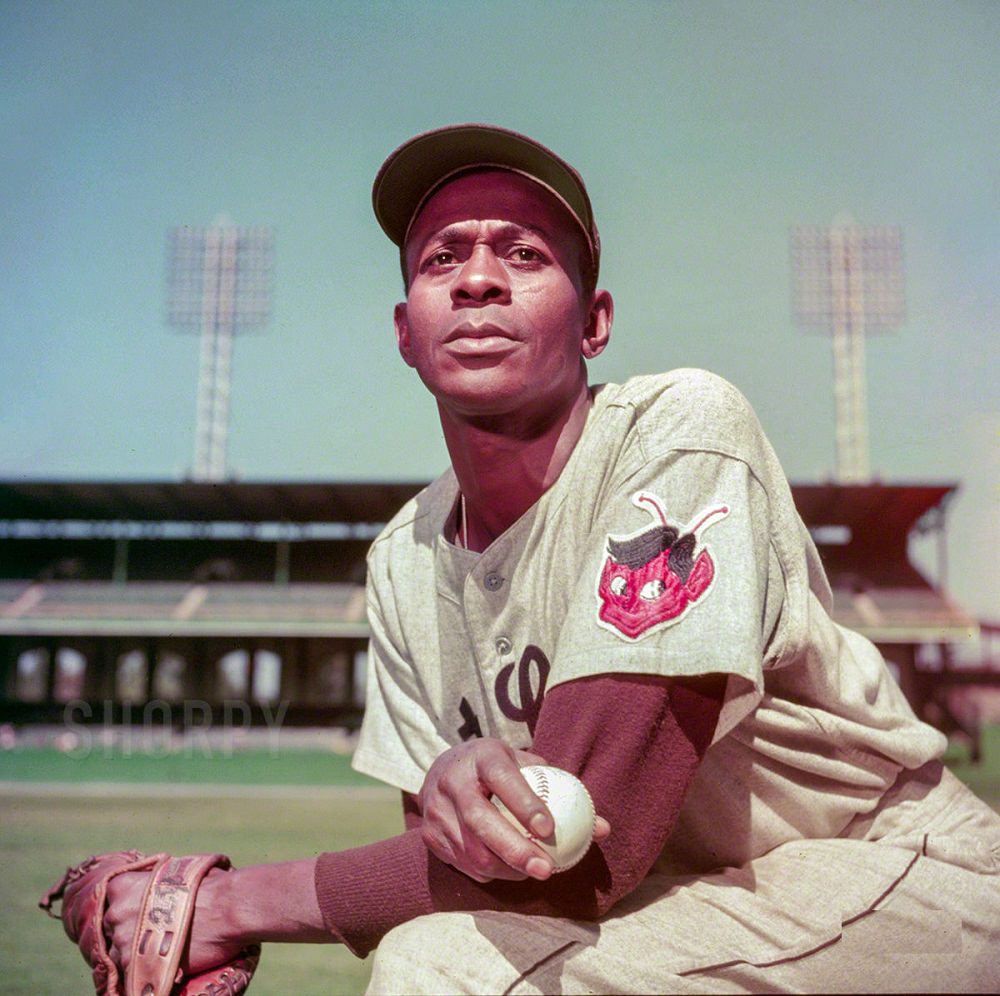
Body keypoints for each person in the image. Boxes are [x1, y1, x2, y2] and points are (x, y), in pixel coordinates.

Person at [96, 124, 1000, 993]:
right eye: (442, 258)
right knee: (442, 944)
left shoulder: (680, 431)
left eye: (524, 255)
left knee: (443, 974)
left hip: (891, 873)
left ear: (594, 322)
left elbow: (572, 850)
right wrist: (449, 805)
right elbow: (465, 875)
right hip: (686, 908)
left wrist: (225, 903)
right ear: (405, 332)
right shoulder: (403, 562)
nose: (478, 280)